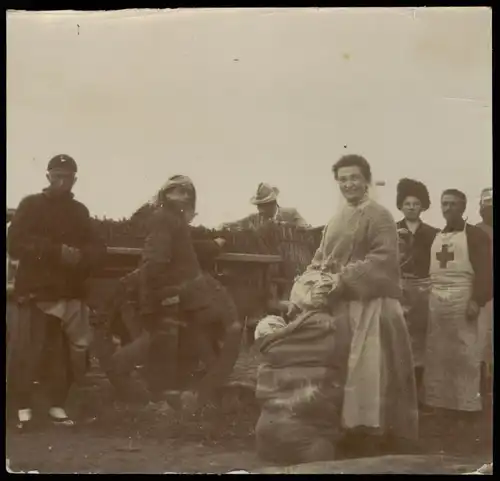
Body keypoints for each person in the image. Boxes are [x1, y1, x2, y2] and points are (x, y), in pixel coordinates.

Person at [289, 154, 419, 455]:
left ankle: (376, 432)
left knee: (372, 369)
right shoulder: (335, 219)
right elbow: (322, 256)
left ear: (366, 181)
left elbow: (383, 258)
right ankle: (350, 428)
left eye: (354, 178)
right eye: (343, 179)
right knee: (345, 367)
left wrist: (343, 278)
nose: (349, 184)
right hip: (342, 304)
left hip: (372, 303)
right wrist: (312, 278)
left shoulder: (380, 215)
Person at [7, 154, 106, 428]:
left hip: (69, 293)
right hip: (36, 293)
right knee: (28, 350)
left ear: (75, 179)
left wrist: (81, 256)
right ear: (47, 176)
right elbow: (15, 244)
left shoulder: (80, 212)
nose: (62, 182)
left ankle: (56, 405)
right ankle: (22, 408)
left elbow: (98, 249)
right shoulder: (30, 205)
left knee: (63, 354)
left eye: (68, 177)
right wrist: (54, 252)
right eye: (57, 176)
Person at [129, 175, 242, 408]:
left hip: (173, 290)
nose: (185, 197)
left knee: (175, 338)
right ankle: (162, 397)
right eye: (179, 192)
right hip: (165, 289)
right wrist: (165, 290)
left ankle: (172, 393)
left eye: (188, 193)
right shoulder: (164, 219)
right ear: (166, 194)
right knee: (164, 340)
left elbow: (184, 250)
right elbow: (157, 259)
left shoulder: (172, 220)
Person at [423, 189, 492, 420]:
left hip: (464, 300)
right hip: (438, 303)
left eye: (452, 204)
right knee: (438, 354)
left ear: (463, 207)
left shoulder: (475, 235)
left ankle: (466, 407)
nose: (447, 208)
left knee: (466, 354)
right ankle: (439, 404)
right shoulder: (437, 236)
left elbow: (486, 271)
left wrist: (477, 299)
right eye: (444, 204)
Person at [395, 178, 438, 394]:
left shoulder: (433, 233)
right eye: (407, 204)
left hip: (424, 288)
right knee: (401, 335)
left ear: (422, 207)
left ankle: (421, 388)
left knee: (421, 336)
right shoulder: (392, 230)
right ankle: (402, 388)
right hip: (399, 289)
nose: (411, 208)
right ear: (401, 206)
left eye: (416, 204)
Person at [220, 182, 309, 230]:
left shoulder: (291, 213)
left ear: (273, 203)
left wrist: (283, 225)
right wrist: (224, 225)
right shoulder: (253, 219)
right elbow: (236, 223)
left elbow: (304, 226)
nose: (260, 210)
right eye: (258, 206)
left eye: (263, 205)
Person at [476, 187, 493, 395]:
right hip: (485, 294)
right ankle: (483, 385)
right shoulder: (475, 231)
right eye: (487, 206)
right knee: (482, 340)